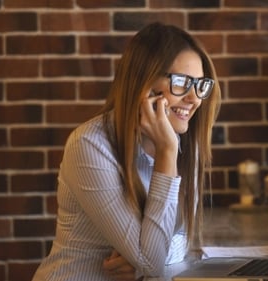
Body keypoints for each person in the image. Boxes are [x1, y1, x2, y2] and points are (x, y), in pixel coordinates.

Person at [32, 22, 221, 281]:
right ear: (144, 83)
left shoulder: (187, 145)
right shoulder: (90, 145)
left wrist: (144, 261)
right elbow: (150, 261)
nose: (194, 98)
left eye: (200, 85)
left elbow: (180, 244)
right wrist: (167, 151)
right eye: (182, 82)